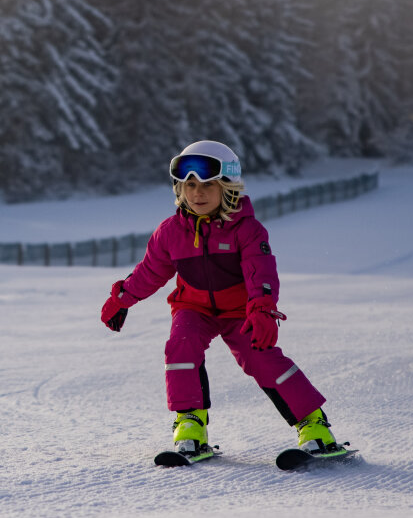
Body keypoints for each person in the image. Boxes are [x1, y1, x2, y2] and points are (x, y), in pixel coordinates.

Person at [99, 140, 346, 460]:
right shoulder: (171, 232)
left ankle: (313, 425)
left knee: (262, 359)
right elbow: (150, 272)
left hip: (240, 309)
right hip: (193, 306)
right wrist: (121, 299)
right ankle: (190, 422)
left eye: (208, 186)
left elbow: (262, 272)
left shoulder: (247, 230)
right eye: (189, 185)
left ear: (228, 188)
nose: (197, 193)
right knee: (180, 345)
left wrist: (263, 309)